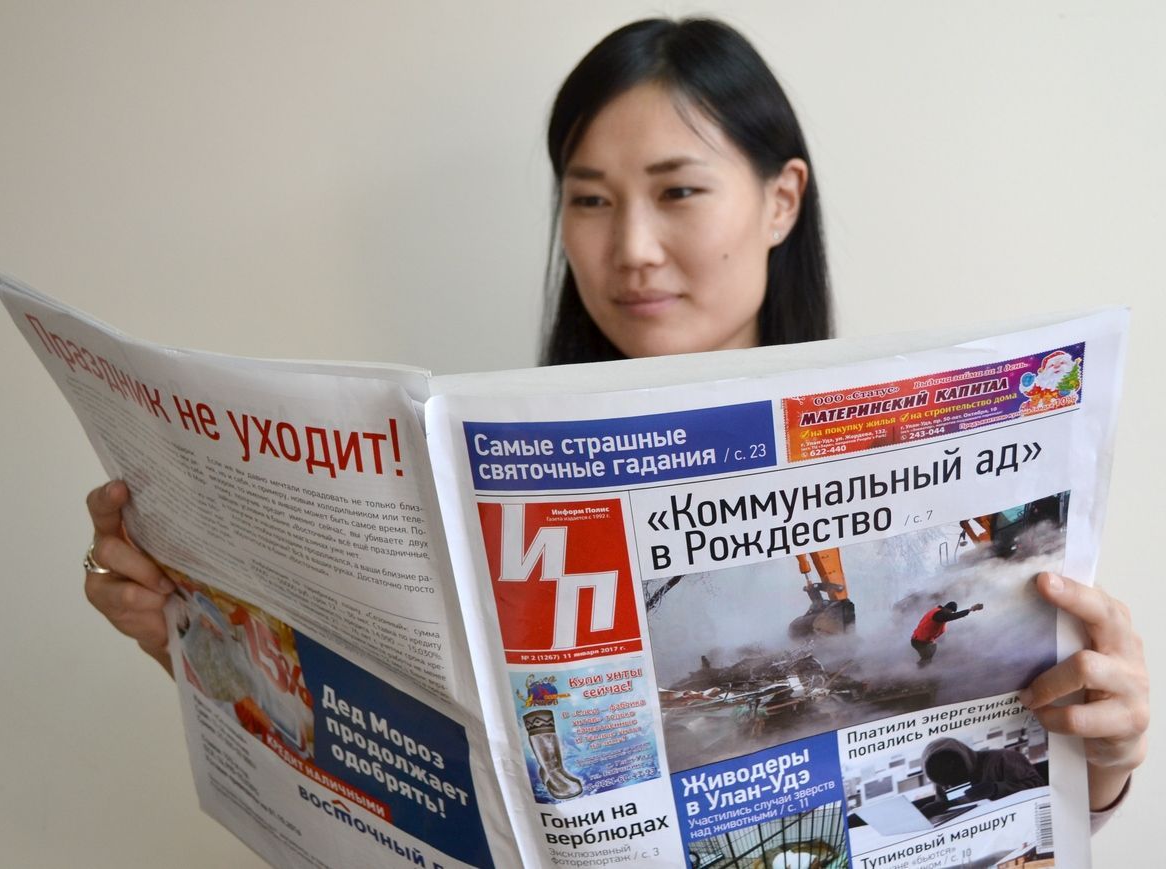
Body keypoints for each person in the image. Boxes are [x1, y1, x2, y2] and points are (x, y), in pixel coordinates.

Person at [80, 17, 1146, 821]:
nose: (630, 248)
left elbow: (1006, 793)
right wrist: (197, 640)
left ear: (780, 201)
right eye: (589, 199)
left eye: (677, 191)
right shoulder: (465, 485)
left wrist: (1099, 762)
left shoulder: (932, 461)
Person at [910, 600, 984, 666]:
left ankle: (922, 667)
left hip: (922, 640)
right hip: (919, 641)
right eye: (951, 611)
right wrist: (970, 609)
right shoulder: (939, 614)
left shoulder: (938, 612)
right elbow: (952, 616)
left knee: (932, 647)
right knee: (927, 657)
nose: (950, 613)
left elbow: (937, 627)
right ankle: (919, 671)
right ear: (947, 608)